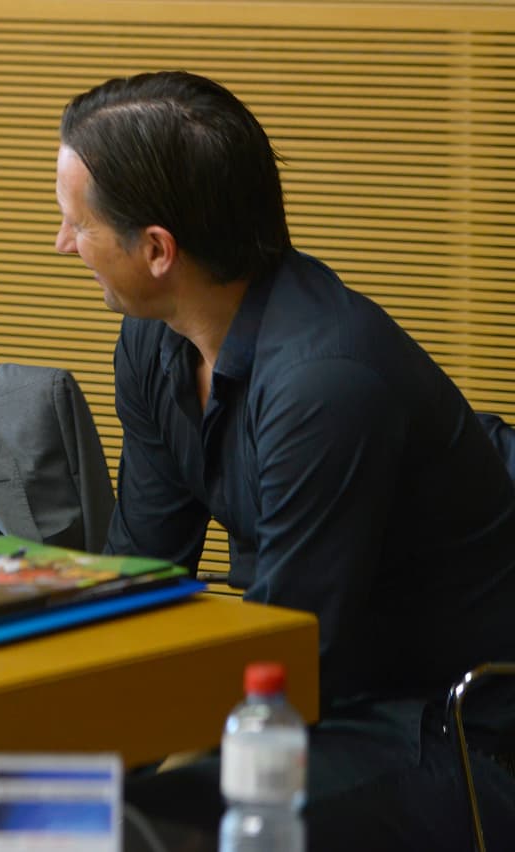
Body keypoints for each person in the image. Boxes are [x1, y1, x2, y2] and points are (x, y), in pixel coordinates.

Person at [55, 70, 515, 850]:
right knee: (26, 803)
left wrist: (120, 772)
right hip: (321, 694)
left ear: (158, 250)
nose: (63, 243)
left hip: (453, 729)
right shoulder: (152, 342)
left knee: (130, 830)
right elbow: (139, 570)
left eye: (76, 224)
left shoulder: (324, 383)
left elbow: (293, 654)